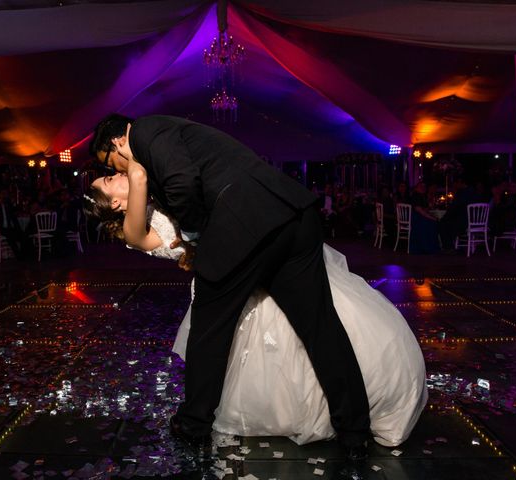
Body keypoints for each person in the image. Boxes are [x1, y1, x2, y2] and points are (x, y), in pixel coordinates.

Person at [89, 114, 371, 471]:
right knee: (321, 327)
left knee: (209, 332)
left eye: (108, 165)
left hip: (245, 228)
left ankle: (193, 424)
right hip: (291, 216)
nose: (117, 170)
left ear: (114, 144)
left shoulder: (147, 132)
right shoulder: (169, 139)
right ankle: (355, 433)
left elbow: (182, 181)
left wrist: (193, 236)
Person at [85, 168, 427, 449]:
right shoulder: (136, 230)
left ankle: (349, 411)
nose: (116, 173)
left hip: (256, 257)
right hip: (230, 278)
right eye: (109, 180)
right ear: (116, 203)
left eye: (112, 172)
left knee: (320, 326)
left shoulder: (160, 191)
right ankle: (297, 413)